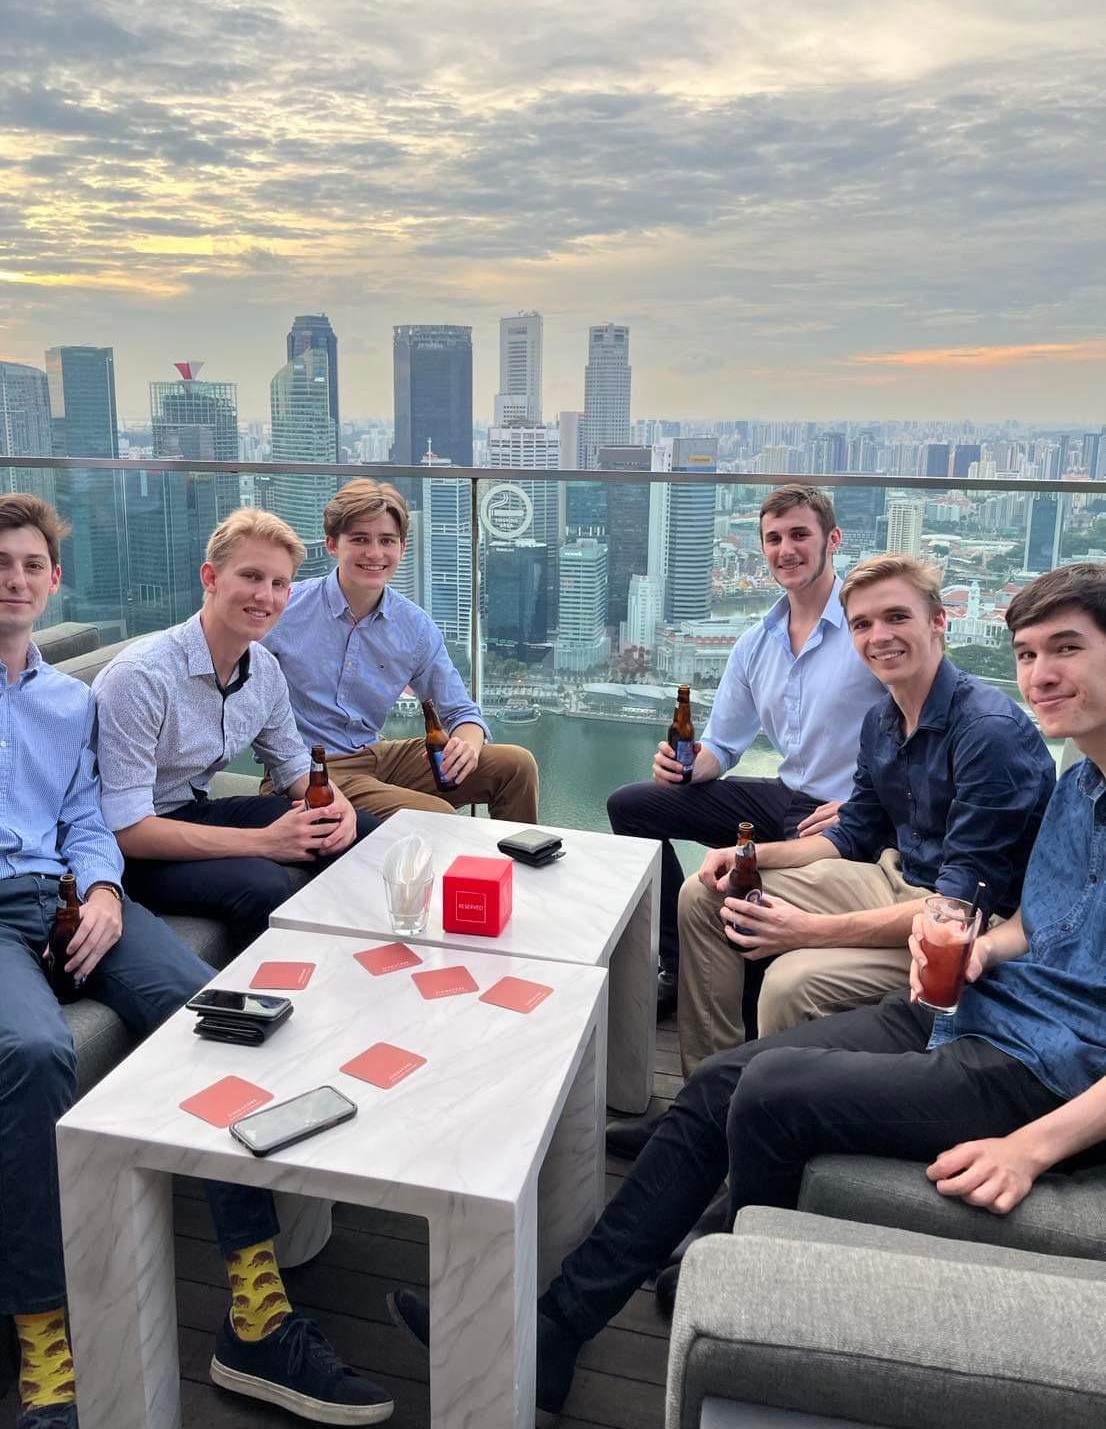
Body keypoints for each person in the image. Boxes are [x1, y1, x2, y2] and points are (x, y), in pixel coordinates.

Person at [391, 560, 1106, 1425]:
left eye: (1066, 649)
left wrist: (1033, 1148)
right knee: (722, 1078)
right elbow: (1036, 919)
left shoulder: (996, 737)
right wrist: (985, 950)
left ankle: (724, 1259)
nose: (1041, 674)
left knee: (768, 1093)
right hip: (970, 1012)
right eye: (1029, 653)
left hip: (1043, 1070)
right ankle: (553, 1327)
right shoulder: (1080, 785)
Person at [0, 495, 393, 1429]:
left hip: (67, 896)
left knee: (219, 1017)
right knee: (32, 1054)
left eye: (32, 566)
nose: (17, 580)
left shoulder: (68, 703)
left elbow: (85, 823)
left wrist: (103, 893)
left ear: (54, 581)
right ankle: (45, 1351)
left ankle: (255, 1315)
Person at [663, 550, 1056, 1083]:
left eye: (897, 617)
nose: (879, 636)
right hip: (892, 878)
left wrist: (807, 930)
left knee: (789, 982)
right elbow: (851, 834)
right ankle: (708, 1094)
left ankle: (773, 1120)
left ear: (939, 621)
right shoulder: (882, 720)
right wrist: (748, 853)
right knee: (706, 892)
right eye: (863, 624)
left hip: (957, 929)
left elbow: (957, 906)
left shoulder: (988, 731)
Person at [607, 485, 886, 1018]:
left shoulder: (866, 629)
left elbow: (918, 733)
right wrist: (686, 769)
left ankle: (751, 1001)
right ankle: (678, 959)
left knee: (744, 912)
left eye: (800, 535)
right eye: (774, 538)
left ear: (834, 539)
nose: (787, 550)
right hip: (786, 797)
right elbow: (722, 744)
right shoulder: (757, 642)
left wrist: (867, 806)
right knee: (631, 806)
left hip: (846, 815)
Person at [93, 509, 380, 952]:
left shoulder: (263, 669)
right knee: (260, 883)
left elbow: (295, 766)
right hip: (127, 850)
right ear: (211, 577)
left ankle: (360, 966)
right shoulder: (141, 677)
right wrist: (266, 842)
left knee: (361, 831)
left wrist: (337, 808)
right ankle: (269, 1001)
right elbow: (127, 829)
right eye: (251, 577)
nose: (266, 596)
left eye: (279, 584)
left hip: (193, 808)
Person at [265, 477, 539, 822]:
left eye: (387, 541)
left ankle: (516, 867)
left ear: (402, 548)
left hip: (377, 755)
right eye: (360, 539)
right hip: (310, 770)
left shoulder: (413, 626)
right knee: (435, 814)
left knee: (516, 765)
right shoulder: (287, 609)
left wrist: (466, 744)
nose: (375, 553)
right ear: (332, 545)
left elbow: (460, 711)